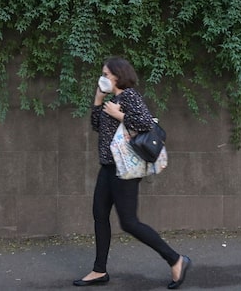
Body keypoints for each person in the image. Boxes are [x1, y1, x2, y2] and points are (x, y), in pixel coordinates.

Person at [73, 57, 192, 289]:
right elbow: (97, 126)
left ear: (118, 76)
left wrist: (119, 115)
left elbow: (146, 123)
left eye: (106, 74)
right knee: (99, 215)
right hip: (108, 167)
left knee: (129, 222)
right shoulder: (113, 99)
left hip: (124, 169)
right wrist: (98, 101)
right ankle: (99, 270)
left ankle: (176, 259)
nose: (102, 78)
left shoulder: (129, 96)